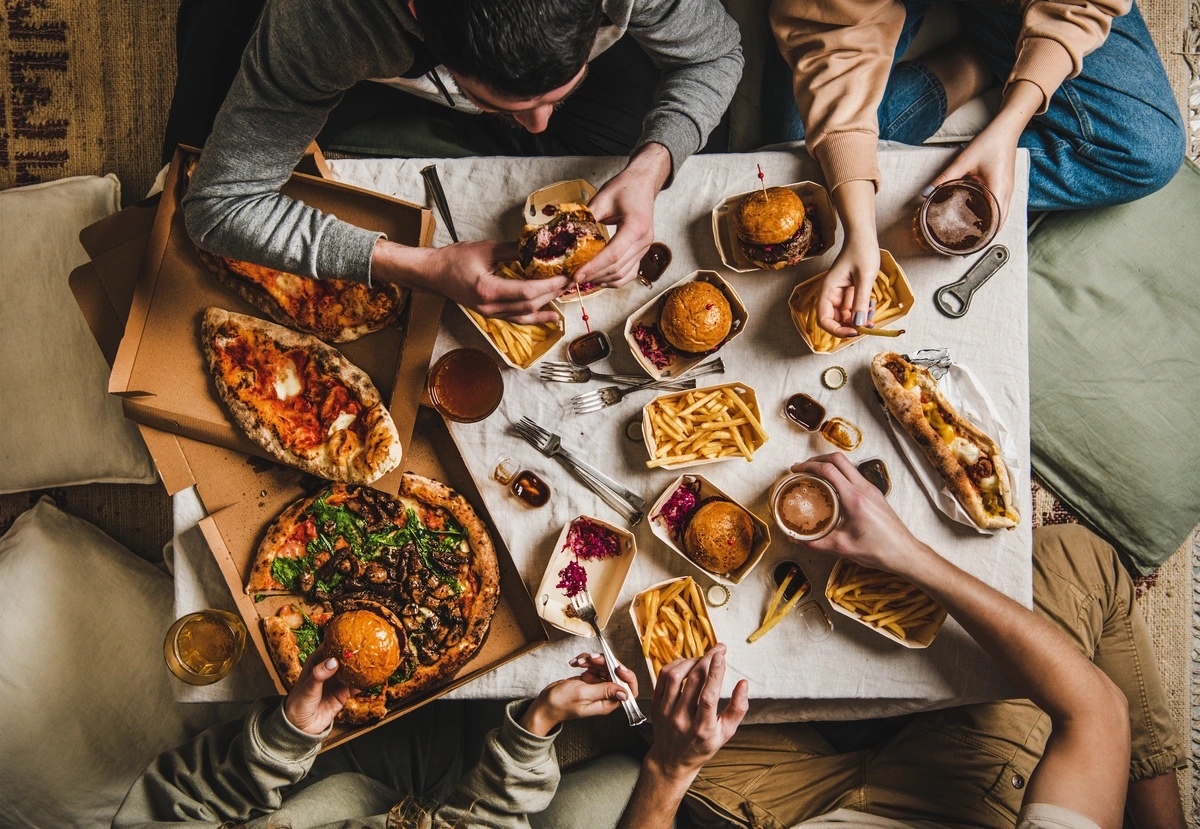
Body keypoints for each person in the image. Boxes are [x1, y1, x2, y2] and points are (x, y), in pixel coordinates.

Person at [615, 454, 1186, 829]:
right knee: (1079, 559)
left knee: (647, 711)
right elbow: (1098, 713)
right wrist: (907, 555)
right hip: (977, 791)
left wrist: (669, 770)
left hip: (808, 810)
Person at [178, 0, 743, 323]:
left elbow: (718, 53)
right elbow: (220, 206)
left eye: (558, 96)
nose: (544, 122)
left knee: (627, 140)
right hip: (317, 34)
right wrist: (419, 266)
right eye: (493, 101)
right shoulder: (324, 20)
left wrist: (651, 169)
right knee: (188, 147)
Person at [765, 0, 1186, 338]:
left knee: (1146, 151)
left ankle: (991, 58)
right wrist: (859, 229)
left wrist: (1010, 124)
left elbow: (1083, 5)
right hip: (858, 11)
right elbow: (834, 41)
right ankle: (968, 67)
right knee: (796, 154)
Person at [113, 653, 650, 828]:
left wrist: (287, 736)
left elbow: (183, 800)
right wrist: (536, 726)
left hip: (334, 796)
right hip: (438, 814)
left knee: (463, 671)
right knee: (628, 773)